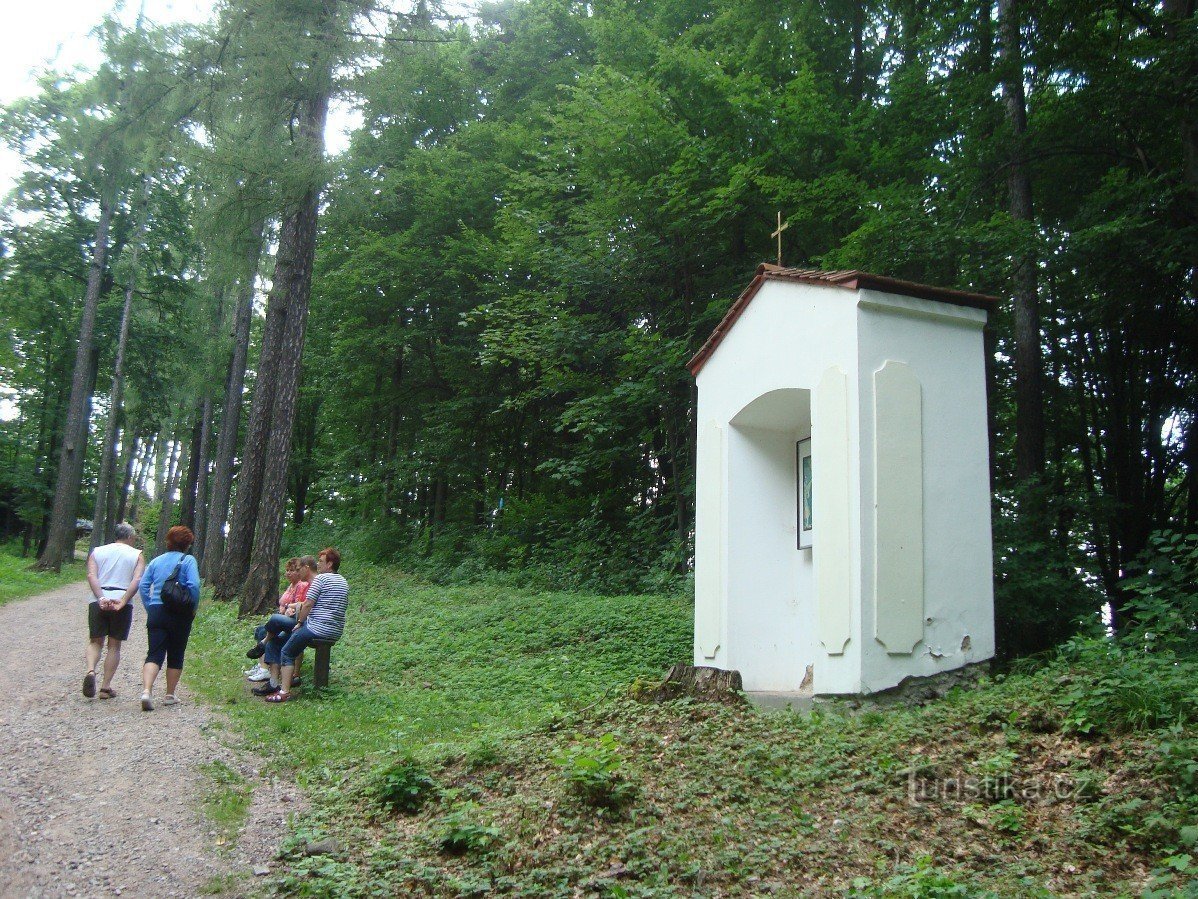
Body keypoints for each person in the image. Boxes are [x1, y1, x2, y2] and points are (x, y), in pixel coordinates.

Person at [264, 547, 348, 703]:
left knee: (287, 651)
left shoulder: (321, 579)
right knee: (289, 640)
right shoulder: (343, 581)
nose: (318, 564)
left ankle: (284, 691)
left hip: (317, 629)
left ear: (329, 564)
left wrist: (300, 622)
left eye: (321, 561)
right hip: (335, 630)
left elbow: (308, 604)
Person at [138, 525, 200, 711]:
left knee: (154, 653)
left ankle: (147, 691)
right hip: (180, 613)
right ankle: (169, 695)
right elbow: (194, 585)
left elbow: (143, 586)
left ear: (168, 541)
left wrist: (150, 606)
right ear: (187, 543)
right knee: (176, 653)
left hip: (157, 611)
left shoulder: (156, 561)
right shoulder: (188, 560)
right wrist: (193, 608)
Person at [83, 523, 145, 699]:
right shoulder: (137, 555)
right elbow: (137, 579)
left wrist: (101, 598)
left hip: (98, 599)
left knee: (95, 641)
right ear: (130, 537)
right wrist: (123, 601)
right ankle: (105, 687)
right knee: (114, 645)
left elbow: (91, 576)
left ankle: (90, 671)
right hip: (121, 599)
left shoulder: (97, 552)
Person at [247, 556, 314, 692]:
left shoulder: (310, 584)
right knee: (273, 639)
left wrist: (296, 616)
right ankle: (272, 683)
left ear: (305, 569)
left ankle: (263, 646)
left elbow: (306, 605)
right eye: (287, 570)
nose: (289, 573)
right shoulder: (296, 585)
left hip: (303, 623)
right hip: (293, 620)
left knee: (274, 620)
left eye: (295, 570)